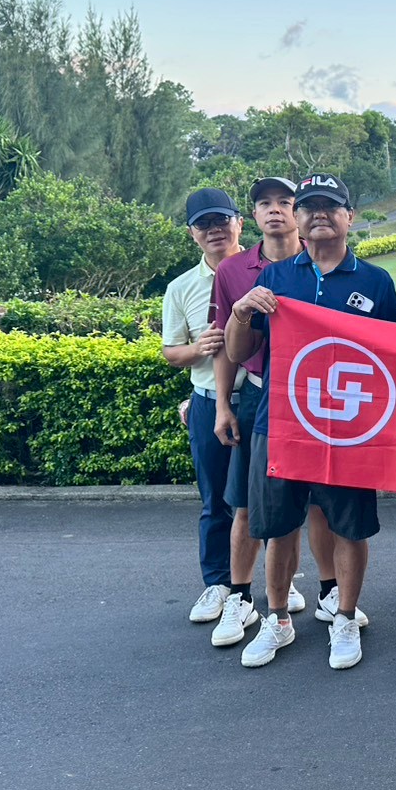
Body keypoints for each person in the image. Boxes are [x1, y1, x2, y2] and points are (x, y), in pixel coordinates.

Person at [224, 172, 396, 671]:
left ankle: (344, 617)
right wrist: (241, 312)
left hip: (349, 427)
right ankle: (277, 618)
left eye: (331, 206)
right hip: (281, 423)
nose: (319, 214)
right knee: (278, 527)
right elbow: (239, 352)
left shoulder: (375, 281)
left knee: (349, 526)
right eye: (309, 207)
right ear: (298, 219)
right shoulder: (277, 278)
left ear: (350, 217)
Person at [207, 176, 342, 649]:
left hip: (326, 403)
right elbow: (228, 346)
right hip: (263, 396)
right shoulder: (236, 270)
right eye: (265, 203)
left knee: (322, 504)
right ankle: (243, 597)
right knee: (252, 504)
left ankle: (330, 591)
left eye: (285, 201)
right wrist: (223, 404)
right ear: (253, 215)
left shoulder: (328, 263)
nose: (276, 210)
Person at [163, 187, 246, 626]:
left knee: (266, 499)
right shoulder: (180, 288)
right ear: (192, 233)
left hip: (258, 400)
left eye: (221, 220)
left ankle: (278, 580)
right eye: (203, 224)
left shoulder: (266, 271)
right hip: (208, 402)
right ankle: (218, 583)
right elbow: (171, 351)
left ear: (239, 223)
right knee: (215, 500)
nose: (214, 230)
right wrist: (199, 349)